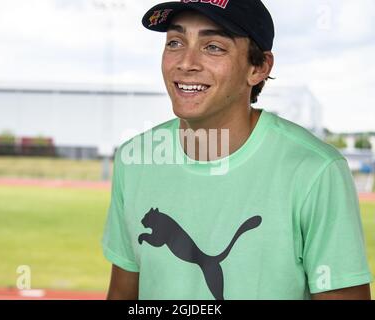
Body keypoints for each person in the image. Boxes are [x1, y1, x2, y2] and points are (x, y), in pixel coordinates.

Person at [102, 0, 372, 300]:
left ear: (258, 68)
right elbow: (123, 294)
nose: (185, 62)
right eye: (175, 42)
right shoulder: (135, 159)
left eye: (213, 47)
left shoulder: (315, 170)